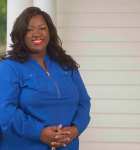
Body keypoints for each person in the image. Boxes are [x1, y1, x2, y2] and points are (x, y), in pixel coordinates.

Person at [0, 6, 91, 150]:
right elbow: (5, 110)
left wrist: (74, 130)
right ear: (21, 34)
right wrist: (40, 133)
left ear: (50, 32)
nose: (37, 34)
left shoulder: (65, 64)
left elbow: (84, 102)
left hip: (67, 146)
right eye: (29, 30)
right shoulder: (9, 67)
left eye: (42, 28)